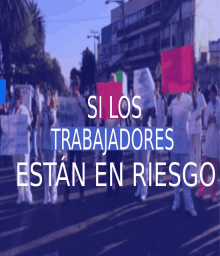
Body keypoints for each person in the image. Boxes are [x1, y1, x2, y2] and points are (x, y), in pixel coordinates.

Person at [168, 90, 198, 217]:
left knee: (185, 177)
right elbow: (167, 113)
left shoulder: (188, 99)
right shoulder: (173, 101)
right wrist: (164, 96)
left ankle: (189, 206)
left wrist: (194, 94)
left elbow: (195, 107)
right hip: (173, 143)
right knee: (175, 176)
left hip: (184, 143)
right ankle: (176, 202)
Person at [63, 75, 89, 205]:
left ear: (78, 87)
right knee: (69, 168)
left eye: (75, 86)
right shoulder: (67, 100)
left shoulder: (81, 99)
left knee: (79, 167)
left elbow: (87, 113)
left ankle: (82, 194)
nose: (73, 88)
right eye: (72, 86)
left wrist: (78, 102)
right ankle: (66, 194)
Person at [196, 84, 220, 203]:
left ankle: (213, 194)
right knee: (205, 167)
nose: (212, 95)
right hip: (209, 138)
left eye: (214, 93)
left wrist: (216, 120)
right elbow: (205, 122)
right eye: (211, 93)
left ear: (217, 93)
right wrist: (209, 119)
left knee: (214, 169)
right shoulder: (209, 105)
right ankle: (201, 191)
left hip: (216, 140)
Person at [11, 88, 33, 205]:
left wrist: (29, 126)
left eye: (19, 96)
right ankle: (21, 195)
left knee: (24, 171)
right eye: (16, 96)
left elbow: (29, 127)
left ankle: (28, 195)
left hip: (23, 145)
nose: (18, 99)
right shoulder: (11, 110)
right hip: (14, 145)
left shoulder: (25, 110)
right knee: (17, 171)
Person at [105, 73, 123, 198]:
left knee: (117, 162)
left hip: (117, 133)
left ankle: (117, 187)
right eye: (110, 80)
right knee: (108, 163)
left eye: (114, 80)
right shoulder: (104, 96)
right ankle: (109, 187)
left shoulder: (121, 96)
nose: (112, 82)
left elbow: (125, 111)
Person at [188, 78, 206, 183]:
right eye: (193, 83)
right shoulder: (188, 96)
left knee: (198, 152)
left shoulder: (201, 96)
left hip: (198, 127)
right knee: (191, 151)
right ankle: (191, 173)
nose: (194, 85)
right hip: (190, 127)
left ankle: (198, 175)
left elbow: (205, 108)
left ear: (198, 84)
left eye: (196, 84)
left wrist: (201, 116)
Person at [41, 91, 57, 205]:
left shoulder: (52, 112)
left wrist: (47, 112)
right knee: (45, 172)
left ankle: (54, 195)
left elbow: (52, 123)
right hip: (43, 145)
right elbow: (40, 126)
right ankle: (46, 196)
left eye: (48, 99)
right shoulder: (41, 112)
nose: (47, 100)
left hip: (52, 144)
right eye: (45, 99)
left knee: (52, 172)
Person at [35, 85, 44, 154]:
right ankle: (36, 150)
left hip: (40, 116)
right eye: (36, 88)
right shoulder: (34, 96)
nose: (37, 89)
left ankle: (40, 149)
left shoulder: (41, 96)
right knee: (35, 134)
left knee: (40, 134)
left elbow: (43, 105)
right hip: (35, 116)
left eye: (38, 88)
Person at [30, 87, 39, 162]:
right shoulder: (26, 102)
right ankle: (30, 155)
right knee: (29, 142)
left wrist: (36, 124)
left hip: (33, 124)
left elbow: (36, 114)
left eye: (31, 93)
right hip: (28, 125)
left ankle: (35, 155)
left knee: (34, 141)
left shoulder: (34, 102)